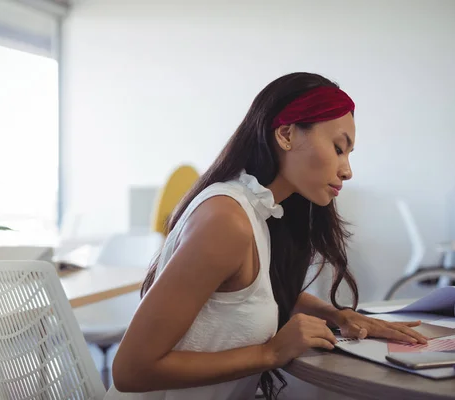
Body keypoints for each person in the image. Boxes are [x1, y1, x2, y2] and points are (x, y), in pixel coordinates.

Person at [105, 72, 428, 400]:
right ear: (286, 134)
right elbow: (130, 370)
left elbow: (250, 291)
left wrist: (335, 315)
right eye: (338, 148)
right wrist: (270, 353)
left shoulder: (257, 209)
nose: (347, 170)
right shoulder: (227, 221)